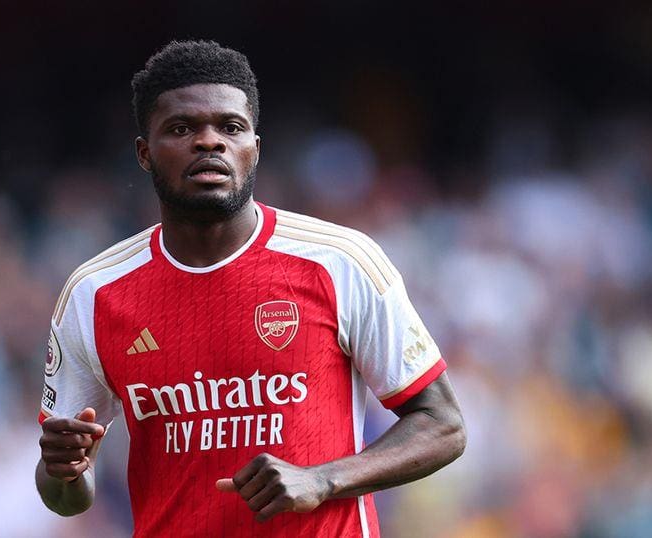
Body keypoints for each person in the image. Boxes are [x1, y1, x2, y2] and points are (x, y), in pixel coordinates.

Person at [35, 40, 466, 537]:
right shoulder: (94, 294)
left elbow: (443, 424)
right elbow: (65, 496)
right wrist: (63, 472)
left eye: (231, 127)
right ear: (143, 154)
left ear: (254, 149)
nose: (209, 142)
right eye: (181, 128)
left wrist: (324, 478)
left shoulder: (340, 262)